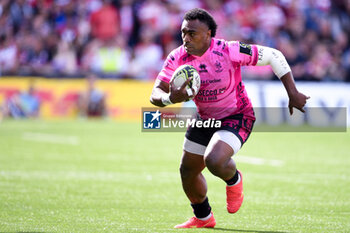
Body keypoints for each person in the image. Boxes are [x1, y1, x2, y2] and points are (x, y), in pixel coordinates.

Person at [150, 8, 309, 228]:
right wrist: (169, 98)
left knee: (214, 160)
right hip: (205, 118)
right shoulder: (177, 57)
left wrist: (292, 93)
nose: (186, 38)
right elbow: (155, 93)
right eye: (183, 32)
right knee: (187, 171)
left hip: (237, 115)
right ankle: (203, 218)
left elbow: (274, 56)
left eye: (192, 33)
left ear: (209, 34)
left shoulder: (229, 50)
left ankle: (234, 179)